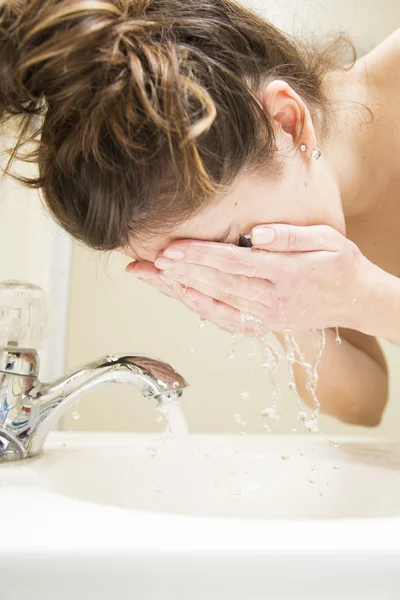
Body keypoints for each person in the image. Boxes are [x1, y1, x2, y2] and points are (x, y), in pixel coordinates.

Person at [1, 0, 398, 427]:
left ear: (285, 121)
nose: (245, 271)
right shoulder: (293, 225)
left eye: (241, 247)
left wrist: (363, 295)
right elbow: (364, 402)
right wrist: (280, 310)